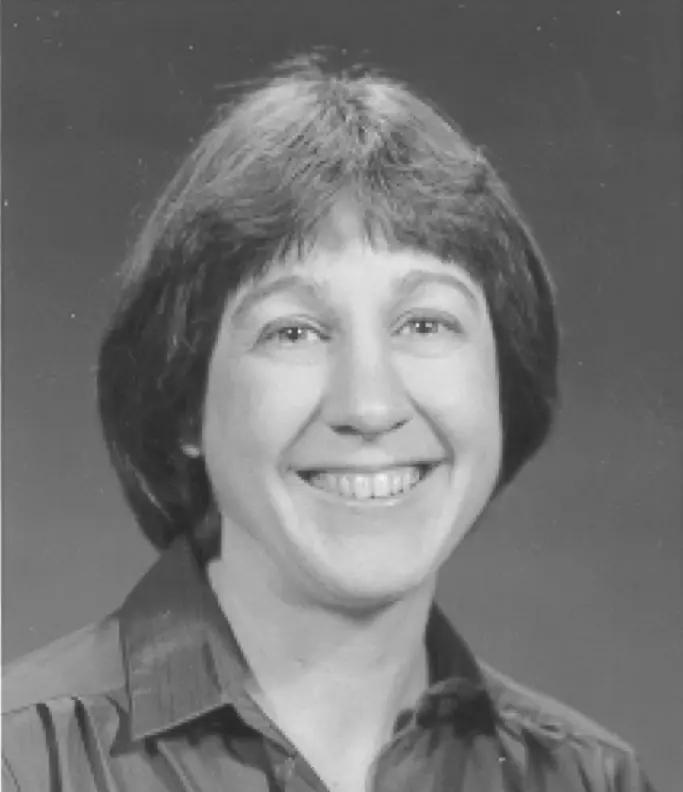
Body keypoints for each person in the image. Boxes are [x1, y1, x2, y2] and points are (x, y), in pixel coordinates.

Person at [2, 56, 655, 792]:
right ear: (184, 402)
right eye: (294, 332)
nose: (369, 406)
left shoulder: (587, 778)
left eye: (425, 322)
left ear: (500, 384)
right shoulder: (23, 761)